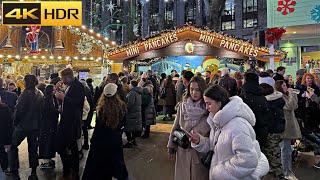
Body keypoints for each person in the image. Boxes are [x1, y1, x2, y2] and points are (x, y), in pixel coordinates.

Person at [190, 85, 269, 179]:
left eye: (209, 103)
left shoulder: (238, 125)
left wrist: (220, 172)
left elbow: (248, 159)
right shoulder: (218, 122)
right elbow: (214, 147)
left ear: (219, 102)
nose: (206, 107)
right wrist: (199, 141)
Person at [167, 76, 210, 180]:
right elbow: (176, 125)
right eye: (191, 89)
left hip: (199, 153)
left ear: (203, 90)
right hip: (183, 150)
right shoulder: (183, 105)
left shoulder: (208, 107)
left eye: (197, 90)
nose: (194, 93)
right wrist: (171, 145)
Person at [82, 83, 128, 180]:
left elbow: (98, 128)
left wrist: (93, 140)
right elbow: (124, 123)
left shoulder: (101, 108)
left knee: (100, 169)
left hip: (100, 142)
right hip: (115, 141)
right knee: (117, 166)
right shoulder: (122, 107)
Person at [8, 75, 44, 180]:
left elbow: (19, 110)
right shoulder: (40, 93)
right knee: (33, 149)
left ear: (27, 82)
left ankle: (14, 170)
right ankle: (33, 172)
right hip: (35, 126)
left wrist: (15, 123)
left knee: (13, 145)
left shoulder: (25, 94)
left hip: (23, 126)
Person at [55, 68, 85, 179]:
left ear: (68, 76)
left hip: (72, 122)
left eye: (63, 78)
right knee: (64, 146)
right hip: (66, 120)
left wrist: (64, 98)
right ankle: (69, 169)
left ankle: (72, 170)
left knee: (71, 147)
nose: (62, 80)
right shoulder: (70, 86)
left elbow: (78, 103)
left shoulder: (78, 86)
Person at [275, 80, 301, 179]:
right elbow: (290, 106)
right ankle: (286, 173)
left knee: (287, 150)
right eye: (284, 85)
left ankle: (287, 171)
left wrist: (292, 95)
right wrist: (292, 94)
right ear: (279, 87)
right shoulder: (280, 97)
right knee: (285, 151)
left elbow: (295, 106)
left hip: (287, 126)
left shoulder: (284, 96)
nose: (286, 87)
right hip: (284, 127)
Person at [240, 72, 270, 152]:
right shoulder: (262, 96)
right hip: (262, 131)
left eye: (243, 79)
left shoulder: (243, 97)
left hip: (249, 133)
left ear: (246, 81)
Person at [260, 83, 285, 179]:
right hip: (278, 131)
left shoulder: (268, 103)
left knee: (274, 158)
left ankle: (279, 176)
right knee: (275, 156)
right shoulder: (278, 100)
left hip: (271, 132)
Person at [39, 85, 59, 169]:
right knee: (47, 142)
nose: (55, 91)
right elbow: (48, 112)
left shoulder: (53, 99)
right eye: (54, 90)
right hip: (47, 126)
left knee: (50, 142)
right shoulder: (46, 100)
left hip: (52, 125)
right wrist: (57, 111)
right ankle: (46, 160)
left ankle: (49, 159)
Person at [124, 80, 142, 148]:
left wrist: (125, 107)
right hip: (136, 112)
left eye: (130, 84)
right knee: (133, 127)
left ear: (132, 85)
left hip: (131, 113)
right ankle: (133, 140)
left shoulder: (132, 93)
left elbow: (130, 104)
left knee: (128, 128)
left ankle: (129, 141)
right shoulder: (138, 92)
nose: (129, 85)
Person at [0, 96, 13, 175]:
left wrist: (8, 141)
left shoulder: (5, 109)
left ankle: (5, 168)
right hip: (4, 137)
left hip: (3, 137)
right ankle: (5, 168)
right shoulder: (5, 109)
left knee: (3, 153)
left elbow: (9, 126)